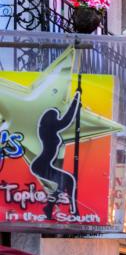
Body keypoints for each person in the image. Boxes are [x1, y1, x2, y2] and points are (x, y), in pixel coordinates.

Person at [31, 88, 81, 219]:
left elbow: (65, 121)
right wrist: (75, 100)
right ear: (51, 119)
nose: (58, 118)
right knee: (68, 180)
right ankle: (73, 211)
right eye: (56, 115)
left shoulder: (48, 131)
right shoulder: (49, 131)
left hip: (43, 165)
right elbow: (67, 120)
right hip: (42, 165)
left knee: (65, 181)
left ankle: (50, 208)